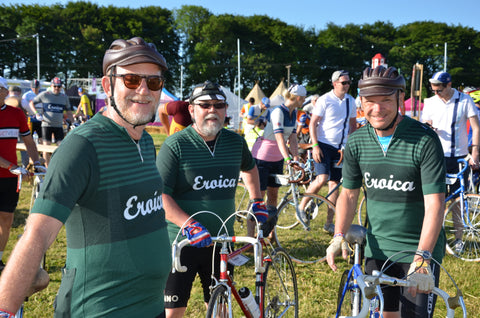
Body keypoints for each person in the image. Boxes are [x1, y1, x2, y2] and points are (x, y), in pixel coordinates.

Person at [0, 37, 172, 317]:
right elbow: (37, 233)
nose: (144, 90)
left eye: (153, 82)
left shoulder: (144, 142)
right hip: (100, 310)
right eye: (131, 80)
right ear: (107, 85)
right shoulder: (83, 146)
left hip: (152, 307)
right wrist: (5, 308)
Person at [326, 66, 446, 318]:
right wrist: (338, 235)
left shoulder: (424, 140)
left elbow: (435, 204)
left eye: (385, 100)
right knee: (386, 315)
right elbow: (349, 194)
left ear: (400, 99)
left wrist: (422, 257)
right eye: (370, 101)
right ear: (361, 102)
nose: (377, 109)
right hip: (377, 249)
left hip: (418, 249)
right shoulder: (357, 141)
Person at [157, 80, 267, 318]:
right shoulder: (175, 144)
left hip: (222, 239)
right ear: (191, 109)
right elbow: (160, 195)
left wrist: (257, 199)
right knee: (173, 311)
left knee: (219, 307)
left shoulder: (235, 142)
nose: (212, 111)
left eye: (218, 105)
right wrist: (188, 224)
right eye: (204, 105)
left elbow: (249, 168)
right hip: (180, 240)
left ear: (226, 110)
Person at [422, 72, 480, 254]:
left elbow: (476, 127)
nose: (436, 93)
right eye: (434, 90)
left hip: (459, 156)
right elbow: (423, 123)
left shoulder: (464, 100)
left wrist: (475, 153)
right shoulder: (430, 102)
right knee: (434, 198)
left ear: (449, 85)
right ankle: (431, 236)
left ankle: (459, 239)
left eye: (439, 90)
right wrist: (427, 125)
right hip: (435, 156)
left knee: (458, 199)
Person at [298, 70, 357, 233]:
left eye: (348, 82)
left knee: (334, 185)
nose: (347, 85)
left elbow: (353, 125)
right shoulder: (325, 99)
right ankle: (301, 208)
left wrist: (348, 145)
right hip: (323, 144)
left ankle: (329, 223)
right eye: (344, 83)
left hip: (340, 148)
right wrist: (315, 145)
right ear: (335, 83)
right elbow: (313, 123)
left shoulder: (351, 101)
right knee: (322, 178)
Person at [0, 76, 44, 273]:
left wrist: (37, 161)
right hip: (11, 171)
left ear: (4, 92)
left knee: (6, 220)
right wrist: (12, 166)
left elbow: (29, 142)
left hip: (9, 179)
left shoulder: (17, 114)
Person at [251, 84, 305, 210]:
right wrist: (288, 159)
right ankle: (253, 227)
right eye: (303, 98)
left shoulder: (294, 112)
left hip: (277, 158)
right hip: (263, 157)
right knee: (260, 195)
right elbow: (279, 138)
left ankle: (271, 228)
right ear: (297, 98)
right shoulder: (278, 111)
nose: (304, 100)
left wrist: (296, 157)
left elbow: (292, 138)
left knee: (273, 194)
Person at [30, 77, 74, 165]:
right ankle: (47, 170)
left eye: (59, 86)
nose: (57, 88)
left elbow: (69, 111)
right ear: (51, 86)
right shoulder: (45, 94)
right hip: (46, 125)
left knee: (61, 148)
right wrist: (36, 113)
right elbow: (31, 103)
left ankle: (59, 166)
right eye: (55, 86)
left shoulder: (64, 97)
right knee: (46, 147)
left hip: (58, 125)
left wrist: (72, 122)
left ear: (61, 87)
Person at [296, 94, 318, 161]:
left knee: (301, 150)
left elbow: (299, 129)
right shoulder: (306, 108)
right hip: (303, 132)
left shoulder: (302, 115)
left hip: (309, 132)